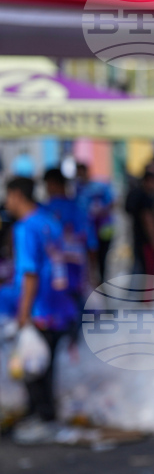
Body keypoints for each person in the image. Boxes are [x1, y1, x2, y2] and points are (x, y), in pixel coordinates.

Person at [1, 177, 78, 441]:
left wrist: (23, 317)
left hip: (39, 310)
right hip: (59, 306)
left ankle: (42, 418)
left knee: (32, 369)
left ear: (17, 196)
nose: (6, 202)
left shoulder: (25, 228)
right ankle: (44, 417)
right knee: (45, 368)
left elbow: (30, 274)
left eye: (8, 196)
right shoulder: (50, 221)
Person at [43, 168, 93, 323]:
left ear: (52, 184)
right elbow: (91, 243)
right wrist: (93, 271)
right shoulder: (79, 208)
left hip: (52, 275)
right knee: (75, 315)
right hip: (75, 273)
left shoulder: (44, 211)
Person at [76, 163, 115, 283]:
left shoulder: (100, 186)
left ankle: (101, 280)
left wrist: (101, 210)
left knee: (102, 257)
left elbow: (112, 203)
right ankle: (93, 280)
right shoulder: (77, 189)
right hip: (87, 231)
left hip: (103, 228)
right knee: (90, 257)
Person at [125, 170, 154, 275]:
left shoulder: (140, 196)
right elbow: (148, 220)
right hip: (146, 243)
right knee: (148, 272)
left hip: (139, 241)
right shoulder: (145, 198)